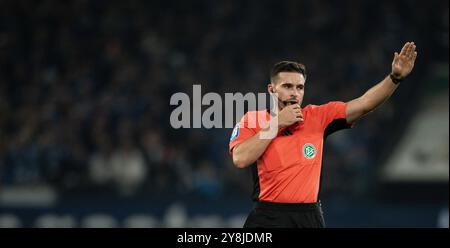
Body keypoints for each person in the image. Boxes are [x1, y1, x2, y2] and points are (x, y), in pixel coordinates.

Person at [229, 42, 417, 228]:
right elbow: (240, 158)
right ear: (272, 89)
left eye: (299, 87)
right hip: (268, 217)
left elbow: (365, 103)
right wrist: (276, 123)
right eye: (287, 86)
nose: (294, 93)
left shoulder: (318, 117)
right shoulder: (253, 119)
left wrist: (394, 78)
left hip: (308, 217)